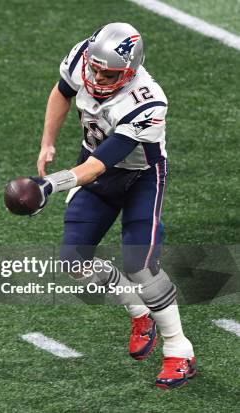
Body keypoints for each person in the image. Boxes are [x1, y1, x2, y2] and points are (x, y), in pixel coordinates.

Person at [32, 22, 195, 389]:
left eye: (108, 73)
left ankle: (178, 351)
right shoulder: (84, 55)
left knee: (141, 267)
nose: (97, 76)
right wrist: (47, 143)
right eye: (95, 67)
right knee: (73, 264)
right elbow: (61, 93)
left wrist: (49, 185)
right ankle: (140, 313)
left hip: (139, 179)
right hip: (95, 169)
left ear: (130, 71)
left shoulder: (148, 102)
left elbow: (98, 165)